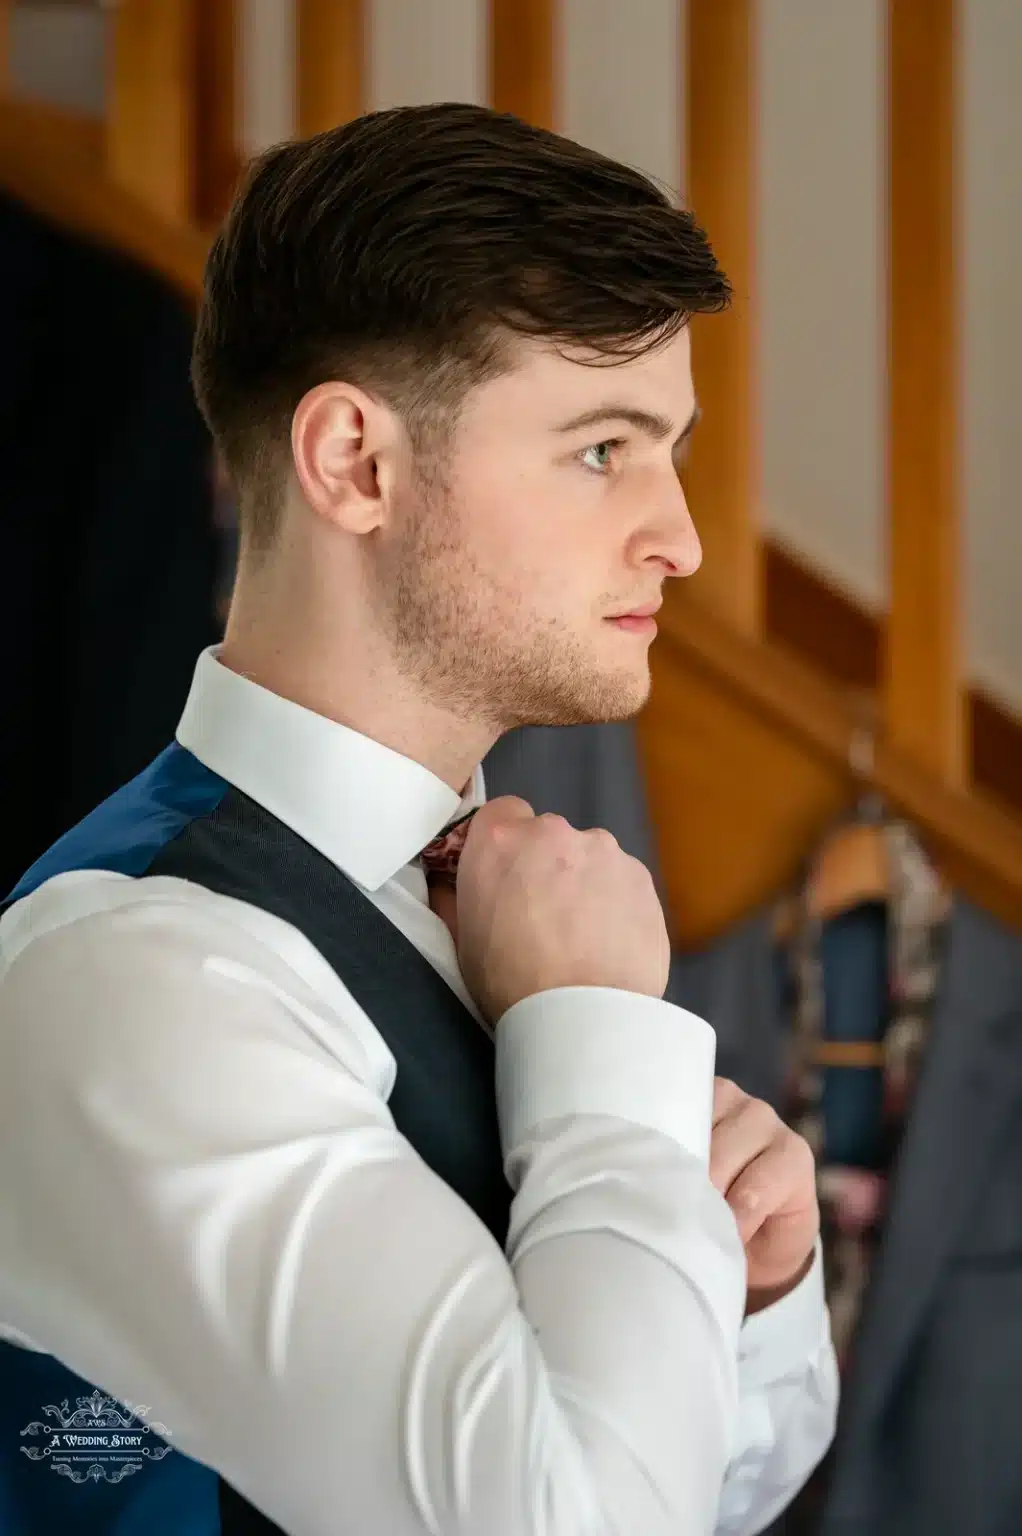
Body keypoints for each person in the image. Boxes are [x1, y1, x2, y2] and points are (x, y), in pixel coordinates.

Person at [0, 102, 837, 1535]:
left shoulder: (497, 910)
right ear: (354, 464)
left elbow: (713, 1488)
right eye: (600, 451)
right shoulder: (140, 970)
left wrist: (748, 1291)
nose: (680, 538)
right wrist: (594, 1055)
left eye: (672, 451)